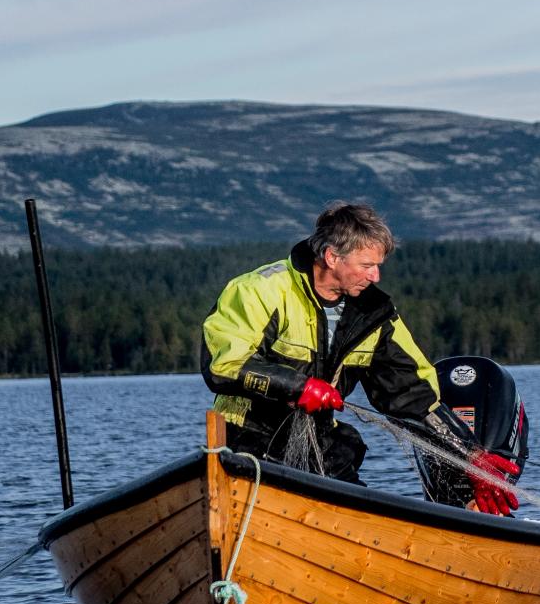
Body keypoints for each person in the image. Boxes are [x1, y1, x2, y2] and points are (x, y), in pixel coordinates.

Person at [200, 202, 521, 515]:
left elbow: (414, 395)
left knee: (365, 516)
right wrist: (299, 387)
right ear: (331, 257)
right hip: (246, 441)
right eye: (367, 265)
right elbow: (222, 366)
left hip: (321, 445)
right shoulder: (260, 290)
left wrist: (470, 455)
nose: (376, 276)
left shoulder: (374, 315)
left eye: (379, 266)